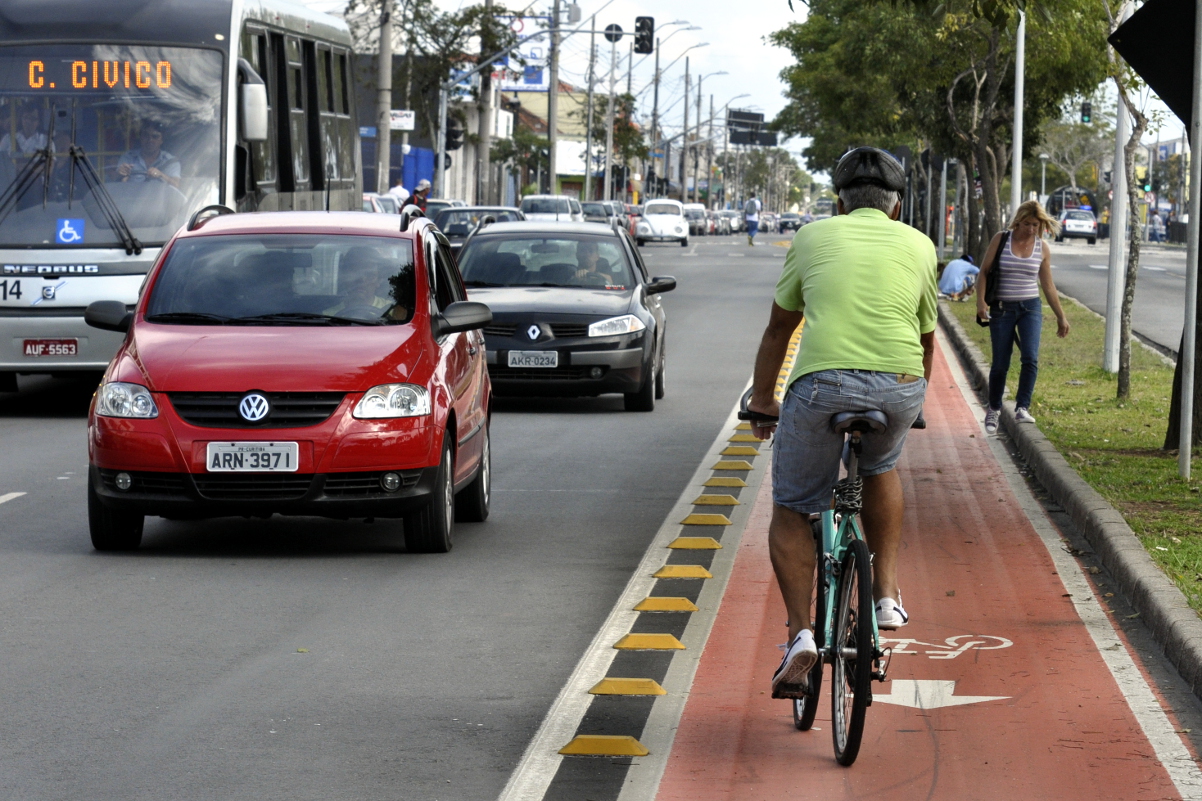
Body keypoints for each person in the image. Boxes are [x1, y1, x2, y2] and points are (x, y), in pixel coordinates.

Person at [745, 146, 936, 695]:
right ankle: (886, 595)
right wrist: (912, 404)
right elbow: (926, 340)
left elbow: (780, 329)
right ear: (897, 206)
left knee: (794, 505)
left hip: (822, 386)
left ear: (838, 203)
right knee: (880, 467)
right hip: (900, 383)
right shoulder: (921, 245)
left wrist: (763, 401)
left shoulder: (811, 238)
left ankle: (801, 637)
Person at [975, 200, 1070, 435]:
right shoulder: (1002, 239)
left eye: (1035, 225)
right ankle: (994, 408)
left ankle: (1022, 406)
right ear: (1018, 221)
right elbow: (984, 272)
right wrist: (980, 302)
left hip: (1030, 308)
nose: (1031, 229)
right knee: (1000, 363)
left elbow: (1047, 285)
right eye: (1027, 223)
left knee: (1030, 357)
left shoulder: (1042, 247)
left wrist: (1061, 316)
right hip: (1001, 308)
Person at [325, 246, 408, 320]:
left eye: (369, 275)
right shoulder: (326, 316)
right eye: (355, 273)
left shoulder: (395, 312)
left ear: (378, 281)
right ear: (345, 279)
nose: (361, 280)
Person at [116, 122, 181, 188]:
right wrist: (119, 173)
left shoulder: (170, 161)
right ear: (141, 138)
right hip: (131, 197)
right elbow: (114, 183)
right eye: (146, 135)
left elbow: (176, 184)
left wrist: (161, 175)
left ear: (161, 140)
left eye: (155, 136)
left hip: (160, 198)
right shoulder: (128, 157)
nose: (150, 140)